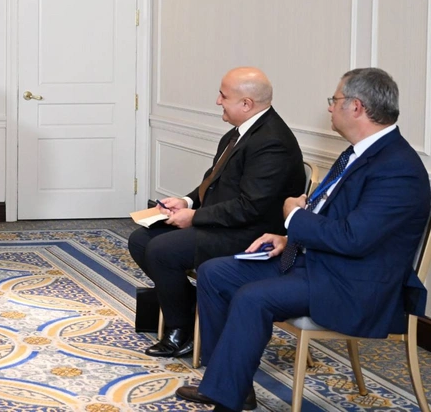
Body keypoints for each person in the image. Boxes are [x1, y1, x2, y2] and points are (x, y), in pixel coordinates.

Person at [177, 68, 430, 411]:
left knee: (253, 297)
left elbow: (354, 238)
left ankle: (226, 396)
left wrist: (293, 218)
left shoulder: (398, 168)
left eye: (335, 100)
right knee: (215, 273)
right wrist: (288, 238)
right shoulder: (358, 153)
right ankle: (229, 383)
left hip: (354, 283)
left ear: (356, 107)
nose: (330, 107)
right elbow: (338, 221)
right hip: (320, 263)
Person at [128, 67, 305, 358]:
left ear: (246, 104)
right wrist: (187, 202)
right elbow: (213, 182)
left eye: (223, 96)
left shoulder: (272, 142)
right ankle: (192, 309)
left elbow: (251, 207)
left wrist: (194, 218)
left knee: (162, 250)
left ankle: (180, 329)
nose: (217, 101)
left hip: (251, 234)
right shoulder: (239, 133)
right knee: (140, 240)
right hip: (226, 223)